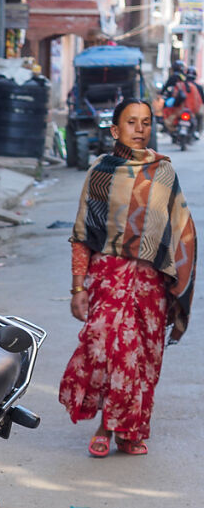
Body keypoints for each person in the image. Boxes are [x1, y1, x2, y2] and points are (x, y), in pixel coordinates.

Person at [59, 98, 196, 457]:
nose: (140, 129)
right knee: (108, 350)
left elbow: (180, 230)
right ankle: (107, 424)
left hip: (151, 283)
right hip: (108, 277)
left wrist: (176, 283)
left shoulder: (163, 172)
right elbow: (82, 234)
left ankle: (130, 430)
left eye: (146, 122)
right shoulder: (101, 173)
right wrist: (77, 287)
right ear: (116, 130)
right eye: (132, 122)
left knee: (145, 357)